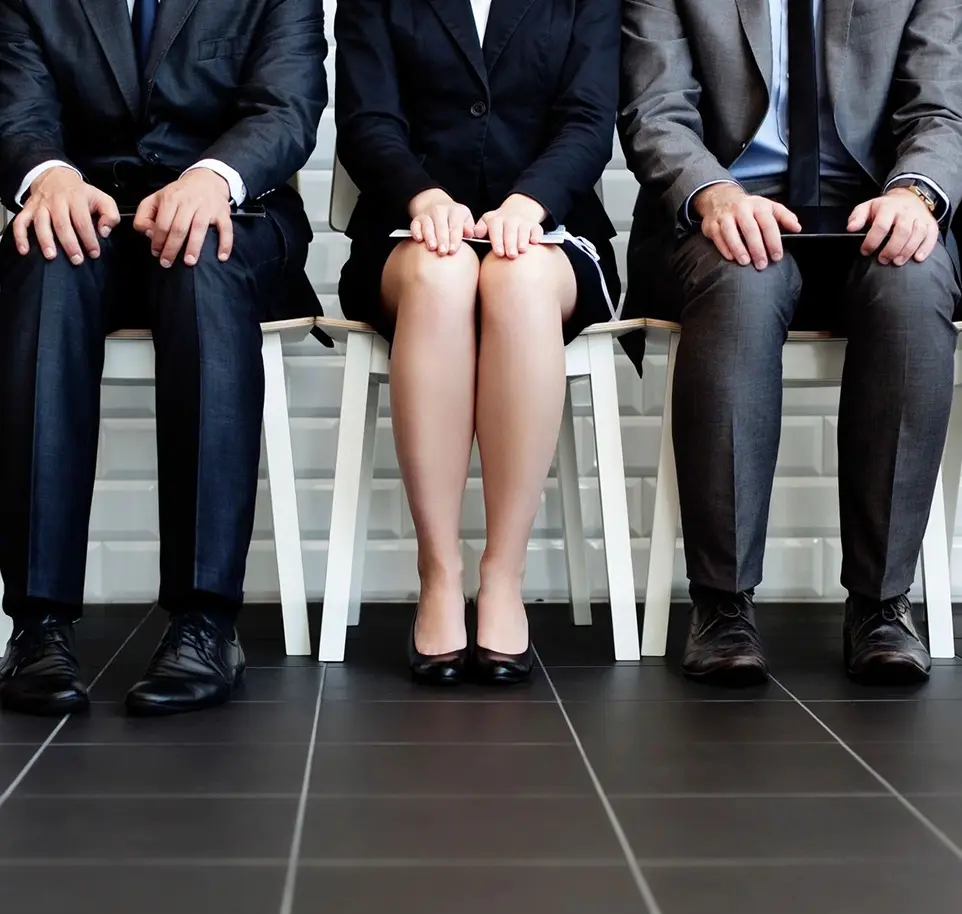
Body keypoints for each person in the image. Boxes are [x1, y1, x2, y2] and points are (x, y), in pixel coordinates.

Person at [0, 0, 328, 717]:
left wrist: (211, 177)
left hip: (231, 216)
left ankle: (204, 623)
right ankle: (37, 626)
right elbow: (17, 110)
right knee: (45, 263)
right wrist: (48, 176)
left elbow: (287, 108)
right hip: (87, 216)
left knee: (200, 262)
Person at [619, 0, 962, 686]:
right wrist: (713, 193)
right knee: (744, 279)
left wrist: (916, 195)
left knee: (912, 283)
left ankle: (882, 602)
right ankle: (722, 604)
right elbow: (656, 111)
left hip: (875, 212)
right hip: (725, 218)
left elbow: (942, 109)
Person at [335, 0, 621, 685]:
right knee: (443, 276)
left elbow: (589, 120)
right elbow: (366, 120)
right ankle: (439, 572)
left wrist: (531, 201)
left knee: (516, 280)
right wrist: (423, 197)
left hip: (548, 231)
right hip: (410, 232)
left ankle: (502, 573)